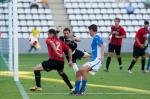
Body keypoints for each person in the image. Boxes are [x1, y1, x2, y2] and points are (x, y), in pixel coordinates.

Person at [71, 24, 105, 95]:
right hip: (93, 60)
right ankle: (76, 91)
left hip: (97, 60)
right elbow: (96, 51)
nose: (89, 32)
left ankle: (82, 91)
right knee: (78, 72)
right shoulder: (94, 38)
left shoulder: (96, 37)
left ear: (92, 31)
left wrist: (102, 56)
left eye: (89, 31)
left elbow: (102, 45)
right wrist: (88, 54)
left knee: (83, 70)